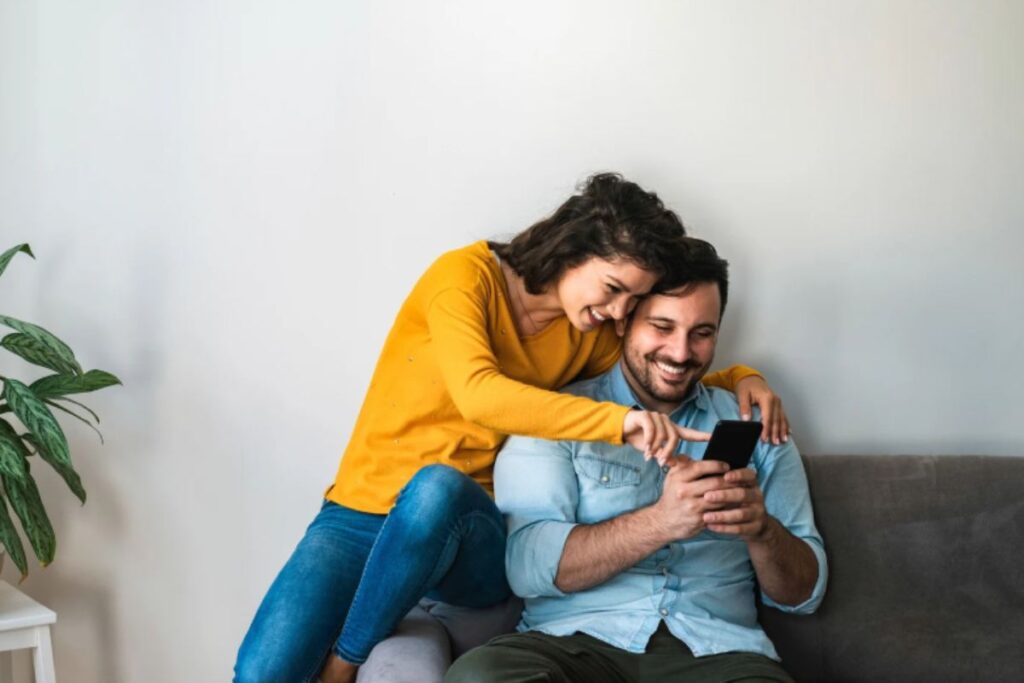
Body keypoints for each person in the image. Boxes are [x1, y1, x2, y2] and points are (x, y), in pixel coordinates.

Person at [234, 174, 789, 683]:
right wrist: (619, 423)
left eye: (631, 301)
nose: (618, 313)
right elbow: (480, 394)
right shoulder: (463, 279)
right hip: (362, 510)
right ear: (574, 250)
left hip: (465, 528)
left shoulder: (589, 331)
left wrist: (742, 375)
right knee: (260, 674)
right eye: (613, 288)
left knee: (438, 488)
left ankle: (343, 665)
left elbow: (662, 368)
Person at [446, 239, 827, 683]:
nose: (681, 353)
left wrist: (762, 531)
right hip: (573, 648)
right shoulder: (556, 416)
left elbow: (805, 595)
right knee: (479, 676)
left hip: (720, 655)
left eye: (701, 333)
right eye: (662, 327)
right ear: (624, 322)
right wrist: (662, 521)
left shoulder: (757, 424)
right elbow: (527, 568)